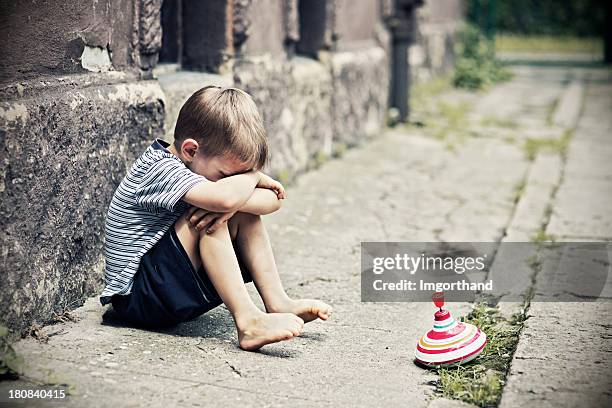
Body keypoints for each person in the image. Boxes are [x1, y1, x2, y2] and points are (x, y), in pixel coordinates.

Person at [100, 85, 332, 350]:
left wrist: (240, 188)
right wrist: (252, 178)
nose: (236, 183)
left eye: (243, 175)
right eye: (227, 176)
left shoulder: (206, 169)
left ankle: (277, 302)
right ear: (190, 151)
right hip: (138, 298)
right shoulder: (161, 169)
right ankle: (248, 322)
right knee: (212, 218)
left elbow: (273, 200)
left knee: (241, 214)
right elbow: (225, 199)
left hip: (164, 289)